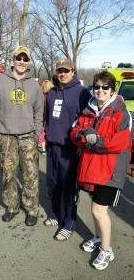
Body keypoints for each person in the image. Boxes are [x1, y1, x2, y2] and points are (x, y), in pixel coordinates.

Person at [70, 71, 132, 270]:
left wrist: (93, 142)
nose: (100, 90)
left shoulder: (121, 112)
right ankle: (98, 237)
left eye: (105, 87)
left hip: (109, 172)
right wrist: (84, 135)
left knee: (99, 212)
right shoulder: (89, 109)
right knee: (94, 210)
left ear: (112, 89)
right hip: (89, 170)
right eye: (97, 86)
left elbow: (119, 143)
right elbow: (74, 131)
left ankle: (106, 250)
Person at [0, 45, 44, 226]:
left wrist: (37, 134)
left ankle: (31, 210)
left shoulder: (34, 85)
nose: (22, 62)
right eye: (19, 58)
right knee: (8, 174)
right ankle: (11, 207)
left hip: (28, 137)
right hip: (6, 137)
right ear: (13, 59)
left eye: (25, 59)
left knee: (30, 175)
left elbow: (40, 112)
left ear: (28, 62)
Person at [44, 58, 91, 240]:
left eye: (66, 70)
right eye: (59, 70)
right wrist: (44, 137)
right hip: (52, 146)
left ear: (73, 71)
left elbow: (88, 121)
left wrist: (82, 145)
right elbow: (47, 118)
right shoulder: (52, 92)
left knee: (68, 187)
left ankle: (69, 222)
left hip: (70, 149)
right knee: (52, 184)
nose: (62, 73)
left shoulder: (82, 93)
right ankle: (56, 215)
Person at [38, 80, 54, 155]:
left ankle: (43, 149)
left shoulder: (40, 95)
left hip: (41, 117)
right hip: (50, 117)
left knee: (42, 132)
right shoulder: (53, 95)